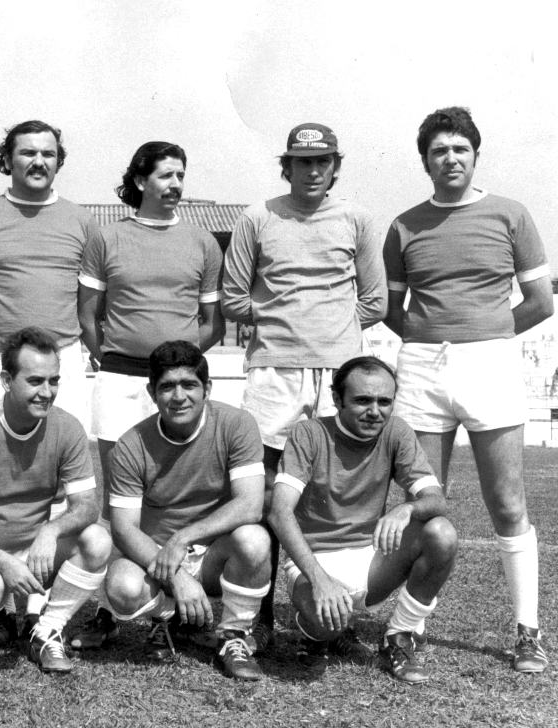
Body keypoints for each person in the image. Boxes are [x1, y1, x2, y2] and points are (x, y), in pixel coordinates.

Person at [383, 107, 553, 673]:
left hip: (491, 363)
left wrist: (487, 333)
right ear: (424, 160)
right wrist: (432, 338)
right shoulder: (404, 224)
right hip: (422, 367)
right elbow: (391, 307)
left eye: (460, 149)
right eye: (439, 151)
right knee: (423, 506)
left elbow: (540, 301)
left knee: (507, 503)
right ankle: (407, 630)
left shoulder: (510, 214)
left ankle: (528, 631)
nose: (450, 158)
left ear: (475, 155)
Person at [221, 122, 387, 650]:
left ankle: (332, 611)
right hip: (273, 367)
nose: (312, 171)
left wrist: (330, 328)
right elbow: (233, 298)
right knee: (267, 487)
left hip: (339, 370)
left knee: (330, 485)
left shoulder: (358, 218)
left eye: (322, 162)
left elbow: (375, 301)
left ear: (335, 166)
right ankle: (259, 610)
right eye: (301, 162)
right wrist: (284, 320)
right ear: (286, 166)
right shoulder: (258, 216)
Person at [73, 141, 223, 649]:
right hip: (118, 378)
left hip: (174, 381)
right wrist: (114, 356)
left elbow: (211, 323)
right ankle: (109, 610)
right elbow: (88, 313)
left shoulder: (203, 242)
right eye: (165, 175)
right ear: (140, 181)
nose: (175, 184)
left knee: (174, 487)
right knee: (122, 498)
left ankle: (177, 601)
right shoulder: (106, 237)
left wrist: (173, 367)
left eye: (181, 174)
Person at [268, 356, 457, 683]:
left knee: (442, 533)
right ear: (337, 399)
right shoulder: (309, 434)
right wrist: (320, 579)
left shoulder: (396, 431)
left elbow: (436, 500)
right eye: (362, 400)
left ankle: (399, 636)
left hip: (372, 560)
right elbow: (279, 511)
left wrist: (408, 508)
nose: (375, 411)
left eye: (385, 401)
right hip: (315, 560)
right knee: (325, 621)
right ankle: (318, 638)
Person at [0, 327, 111, 673]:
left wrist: (50, 531)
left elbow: (87, 505)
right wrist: (3, 563)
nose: (46, 392)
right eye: (35, 381)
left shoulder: (67, 428)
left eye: (53, 381)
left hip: (36, 551)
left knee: (97, 540)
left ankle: (47, 630)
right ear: (6, 380)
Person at [104, 341, 270, 680]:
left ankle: (234, 636)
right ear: (152, 392)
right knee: (122, 587)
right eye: (167, 386)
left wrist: (184, 538)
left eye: (189, 384)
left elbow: (251, 505)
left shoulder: (237, 424)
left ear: (207, 388)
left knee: (254, 540)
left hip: (213, 555)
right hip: (156, 557)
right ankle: (169, 618)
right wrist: (176, 575)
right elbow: (123, 529)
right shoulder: (130, 445)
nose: (178, 396)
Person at [0, 120, 99, 429]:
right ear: (7, 160)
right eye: (28, 153)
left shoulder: (84, 222)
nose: (39, 162)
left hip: (64, 360)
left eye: (48, 154)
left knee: (64, 456)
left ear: (58, 162)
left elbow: (93, 302)